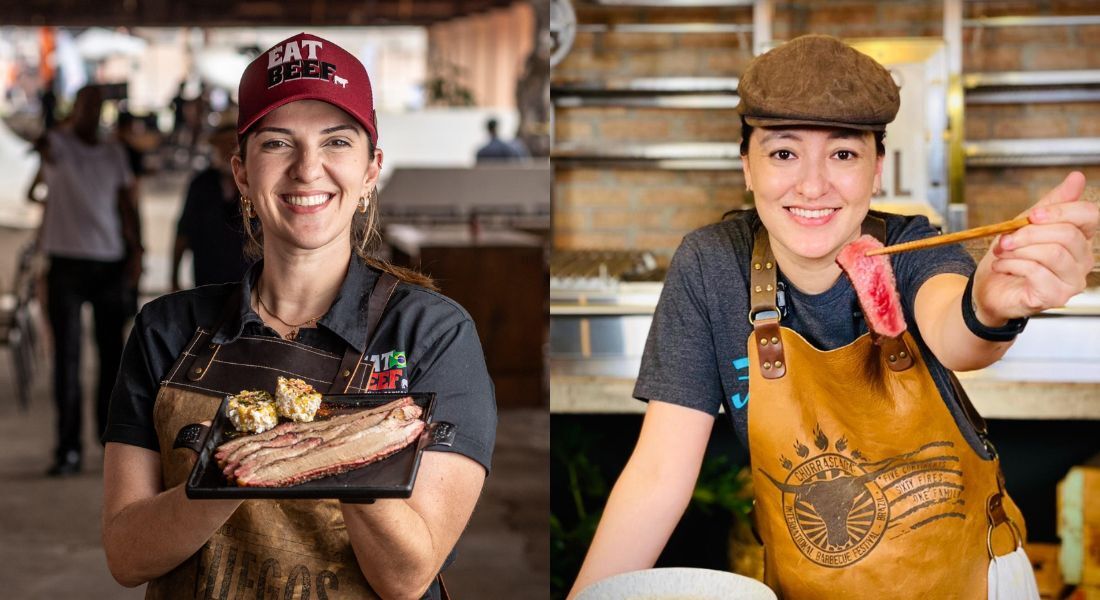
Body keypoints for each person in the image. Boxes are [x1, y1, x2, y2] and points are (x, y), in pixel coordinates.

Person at [568, 35, 1097, 599]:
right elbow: (658, 474)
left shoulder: (915, 248)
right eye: (783, 153)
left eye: (843, 153)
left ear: (877, 171)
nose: (813, 184)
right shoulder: (710, 265)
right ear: (747, 166)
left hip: (969, 579)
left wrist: (990, 302)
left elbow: (957, 331)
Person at [101, 32, 496, 599]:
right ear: (241, 172)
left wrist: (326, 449)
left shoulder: (432, 334)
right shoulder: (166, 331)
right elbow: (126, 555)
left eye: (336, 142)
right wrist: (237, 465)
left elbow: (406, 578)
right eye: (278, 144)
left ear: (370, 171)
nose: (308, 169)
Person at [35, 84, 142, 477]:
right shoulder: (57, 144)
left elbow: (126, 204)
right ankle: (67, 449)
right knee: (67, 359)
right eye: (86, 104)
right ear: (74, 106)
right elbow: (41, 148)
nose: (92, 111)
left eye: (98, 105)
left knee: (112, 359)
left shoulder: (114, 151)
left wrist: (137, 251)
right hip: (65, 262)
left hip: (108, 261)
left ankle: (108, 441)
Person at [171, 109, 253, 290]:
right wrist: (173, 277)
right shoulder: (201, 184)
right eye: (222, 146)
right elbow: (183, 232)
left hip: (250, 284)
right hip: (208, 282)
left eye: (233, 145)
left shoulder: (255, 183)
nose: (228, 151)